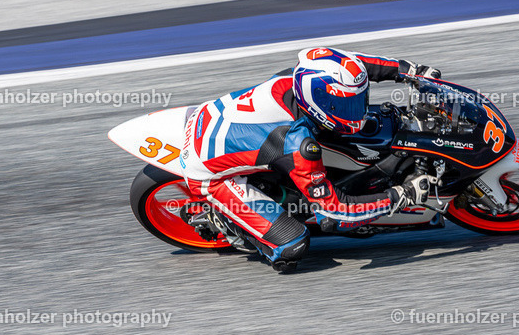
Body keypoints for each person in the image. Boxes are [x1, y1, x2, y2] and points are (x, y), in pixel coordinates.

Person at [181, 46, 442, 273]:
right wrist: (401, 195)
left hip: (217, 120)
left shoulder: (301, 74)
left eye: (359, 100)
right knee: (293, 245)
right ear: (319, 102)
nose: (358, 111)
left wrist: (410, 70)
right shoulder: (297, 144)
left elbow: (359, 65)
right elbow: (336, 213)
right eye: (346, 106)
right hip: (211, 174)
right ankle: (224, 219)